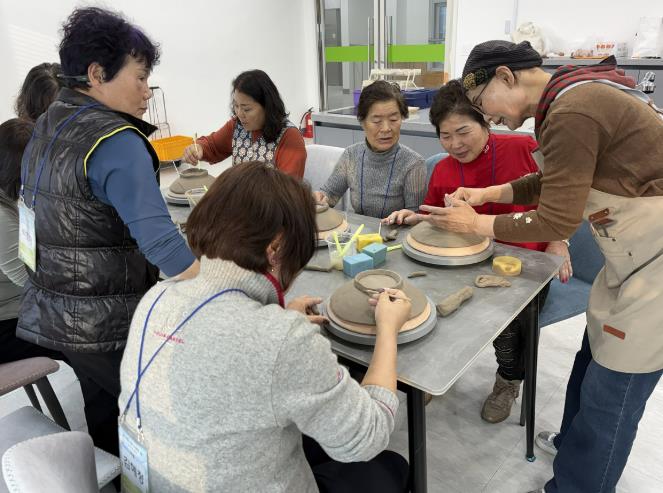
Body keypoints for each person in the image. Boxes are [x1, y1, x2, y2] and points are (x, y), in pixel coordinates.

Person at [426, 40, 663, 493]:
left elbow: (555, 219)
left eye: (481, 103)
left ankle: (579, 484)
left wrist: (476, 222)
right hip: (631, 259)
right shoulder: (567, 98)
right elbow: (553, 180)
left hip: (655, 267)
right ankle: (574, 449)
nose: (487, 115)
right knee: (591, 361)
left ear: (505, 76)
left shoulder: (575, 108)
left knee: (612, 394)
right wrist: (489, 194)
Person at [119, 161, 410, 493]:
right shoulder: (283, 338)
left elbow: (218, 344)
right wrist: (388, 329)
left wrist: (276, 318)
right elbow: (367, 435)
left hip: (157, 480)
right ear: (277, 247)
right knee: (388, 467)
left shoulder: (157, 297)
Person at [17, 7, 198, 456]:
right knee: (158, 417)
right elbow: (162, 245)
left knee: (104, 408)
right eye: (140, 78)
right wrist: (221, 290)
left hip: (57, 309)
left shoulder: (49, 122)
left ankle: (113, 473)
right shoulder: (116, 141)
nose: (147, 91)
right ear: (97, 74)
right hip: (107, 319)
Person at [384, 79, 572, 424]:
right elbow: (436, 216)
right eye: (445, 136)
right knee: (427, 298)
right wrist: (415, 217)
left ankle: (508, 380)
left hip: (524, 261)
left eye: (463, 131)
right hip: (465, 261)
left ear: (485, 120)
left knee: (510, 322)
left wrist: (559, 239)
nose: (455, 144)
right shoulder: (443, 169)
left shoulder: (525, 148)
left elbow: (564, 199)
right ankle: (435, 369)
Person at [314, 80, 426, 218]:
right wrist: (321, 198)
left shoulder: (413, 164)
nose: (386, 128)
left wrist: (411, 217)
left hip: (395, 231)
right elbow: (330, 194)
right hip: (359, 231)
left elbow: (417, 218)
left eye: (393, 119)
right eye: (377, 121)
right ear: (362, 122)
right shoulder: (351, 155)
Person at [0, 119, 63, 364]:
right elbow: (28, 279)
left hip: (17, 309)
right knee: (83, 340)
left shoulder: (10, 199)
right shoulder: (2, 215)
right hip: (7, 324)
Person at [182, 69, 306, 178]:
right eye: (236, 106)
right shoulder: (236, 126)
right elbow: (212, 145)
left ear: (267, 107)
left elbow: (288, 189)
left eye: (247, 109)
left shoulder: (289, 136)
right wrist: (199, 148)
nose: (240, 114)